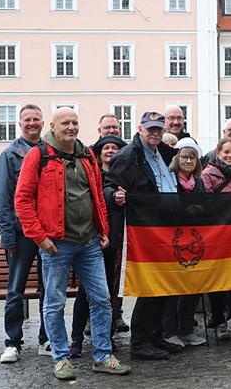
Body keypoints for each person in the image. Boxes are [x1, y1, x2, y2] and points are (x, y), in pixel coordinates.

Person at [14, 107, 130, 379]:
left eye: (75, 122)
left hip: (89, 241)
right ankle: (61, 357)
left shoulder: (86, 154)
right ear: (52, 126)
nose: (71, 127)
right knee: (54, 304)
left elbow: (97, 195)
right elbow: (22, 200)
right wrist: (39, 237)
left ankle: (102, 355)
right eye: (65, 123)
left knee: (102, 300)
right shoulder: (38, 155)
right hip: (56, 243)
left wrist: (103, 228)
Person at [104, 111, 177, 360]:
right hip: (143, 231)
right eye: (150, 129)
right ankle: (140, 342)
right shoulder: (128, 155)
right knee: (150, 286)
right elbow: (109, 185)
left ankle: (156, 336)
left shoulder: (162, 152)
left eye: (159, 128)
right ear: (140, 129)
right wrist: (114, 196)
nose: (155, 132)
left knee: (165, 284)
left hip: (163, 228)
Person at [0, 104, 51, 363]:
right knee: (15, 290)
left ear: (42, 123)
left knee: (48, 288)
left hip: (49, 232)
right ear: (20, 124)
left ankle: (46, 339)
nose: (32, 123)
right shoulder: (9, 155)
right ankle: (13, 342)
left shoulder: (49, 153)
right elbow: (2, 198)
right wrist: (7, 236)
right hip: (20, 234)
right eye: (27, 119)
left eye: (36, 119)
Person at [69, 134, 128, 357]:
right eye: (107, 147)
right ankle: (76, 338)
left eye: (115, 148)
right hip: (96, 240)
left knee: (111, 293)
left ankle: (107, 335)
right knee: (87, 292)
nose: (111, 150)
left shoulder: (125, 175)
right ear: (100, 151)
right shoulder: (92, 174)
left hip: (120, 242)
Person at [201, 137, 231, 339]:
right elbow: (206, 204)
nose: (229, 156)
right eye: (226, 152)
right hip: (217, 236)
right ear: (218, 153)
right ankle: (219, 321)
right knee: (218, 279)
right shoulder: (208, 174)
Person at [161, 138, 207, 348]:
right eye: (184, 156)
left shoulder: (198, 183)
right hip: (172, 238)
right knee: (172, 288)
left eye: (192, 157)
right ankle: (169, 330)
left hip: (194, 237)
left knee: (193, 285)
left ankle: (186, 328)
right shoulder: (169, 178)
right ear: (177, 158)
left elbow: (205, 205)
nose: (188, 160)